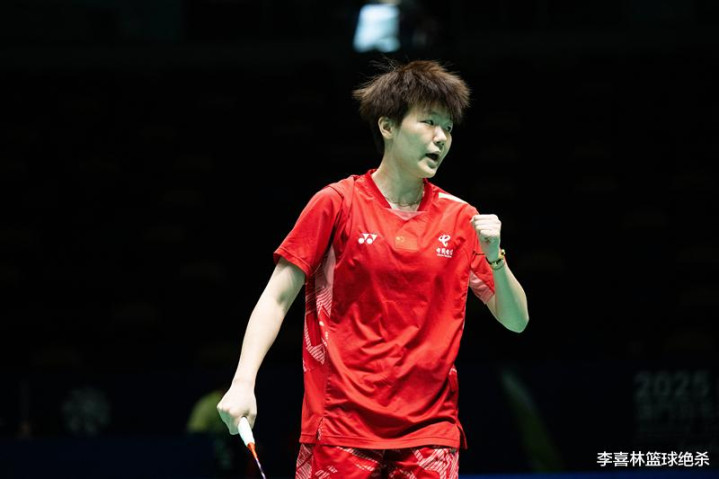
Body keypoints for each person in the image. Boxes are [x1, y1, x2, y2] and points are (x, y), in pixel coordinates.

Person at [217, 58, 529, 478]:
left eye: (448, 127)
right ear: (387, 126)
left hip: (430, 434)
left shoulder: (460, 219)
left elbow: (516, 321)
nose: (441, 138)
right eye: (428, 122)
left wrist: (495, 257)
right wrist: (243, 382)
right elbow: (276, 298)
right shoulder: (337, 204)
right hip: (340, 427)